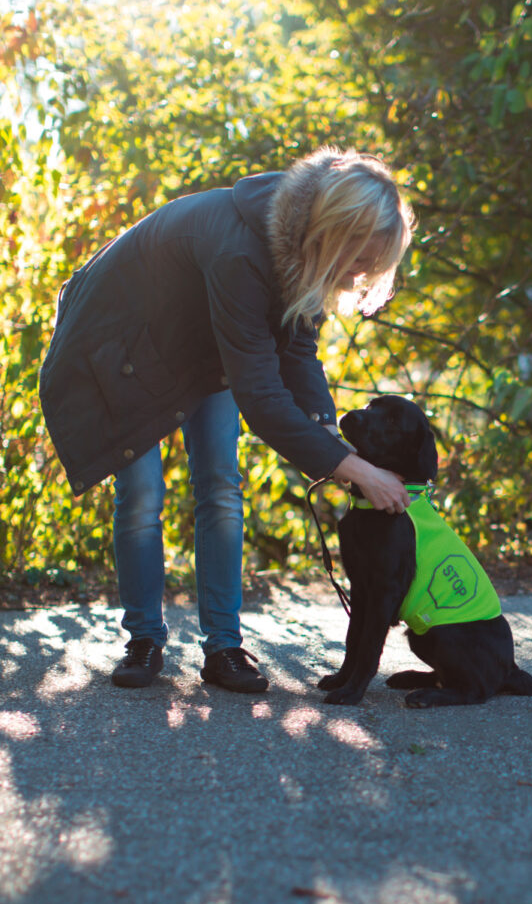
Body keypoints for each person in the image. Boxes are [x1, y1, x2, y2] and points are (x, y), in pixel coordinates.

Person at [39, 146, 415, 693]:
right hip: (120, 349)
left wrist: (329, 435)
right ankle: (144, 639)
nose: (360, 273)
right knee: (142, 494)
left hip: (201, 349)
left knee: (220, 483)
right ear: (336, 231)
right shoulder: (239, 250)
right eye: (360, 259)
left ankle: (223, 647)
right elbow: (261, 397)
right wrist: (354, 470)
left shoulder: (301, 247)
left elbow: (298, 353)